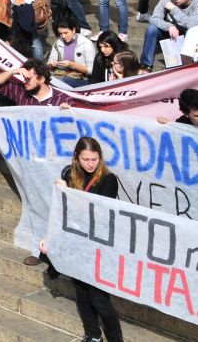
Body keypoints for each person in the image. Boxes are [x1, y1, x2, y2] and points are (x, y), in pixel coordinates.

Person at [38, 137, 124, 342]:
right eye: (86, 159)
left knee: (99, 298)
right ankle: (93, 335)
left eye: (94, 159)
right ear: (77, 157)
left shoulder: (108, 180)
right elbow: (60, 213)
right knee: (82, 293)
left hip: (98, 246)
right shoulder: (69, 174)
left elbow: (100, 214)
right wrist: (49, 236)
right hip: (76, 244)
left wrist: (67, 194)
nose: (91, 164)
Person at [139, 0, 198, 68]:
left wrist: (174, 10)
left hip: (187, 34)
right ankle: (146, 65)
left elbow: (191, 24)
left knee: (190, 31)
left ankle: (186, 65)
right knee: (152, 29)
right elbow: (154, 18)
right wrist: (169, 26)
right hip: (170, 32)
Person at [0, 59, 73, 107]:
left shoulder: (64, 99)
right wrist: (13, 71)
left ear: (41, 79)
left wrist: (67, 111)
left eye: (28, 78)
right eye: (24, 78)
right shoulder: (21, 92)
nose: (25, 81)